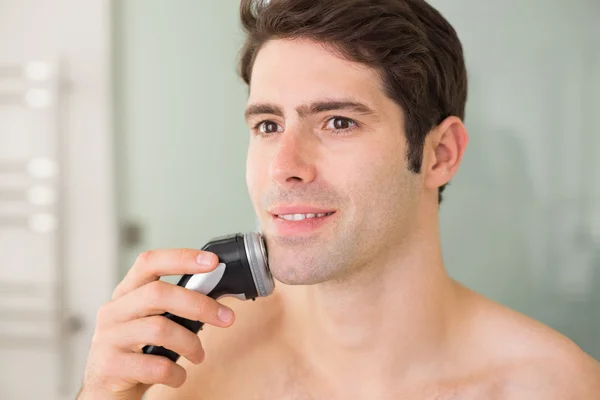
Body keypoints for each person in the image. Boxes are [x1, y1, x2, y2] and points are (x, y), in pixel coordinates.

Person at [78, 0, 600, 399]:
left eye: (338, 122)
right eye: (267, 124)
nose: (283, 167)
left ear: (439, 154)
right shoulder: (187, 365)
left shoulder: (553, 386)